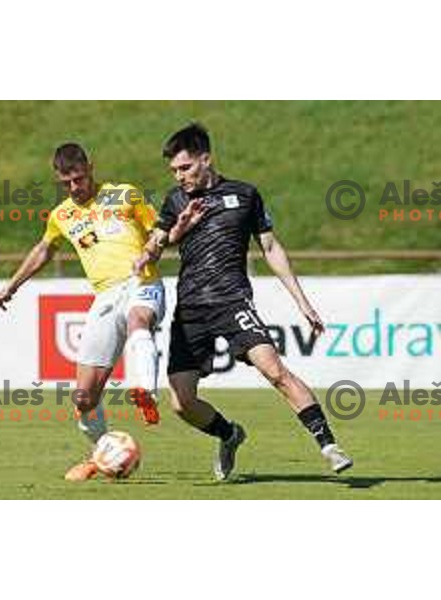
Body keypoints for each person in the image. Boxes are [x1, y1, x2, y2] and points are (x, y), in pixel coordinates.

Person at [135, 123, 353, 480]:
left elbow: (270, 247)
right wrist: (172, 235)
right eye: (174, 170)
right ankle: (229, 434)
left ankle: (329, 446)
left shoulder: (245, 194)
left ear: (206, 158)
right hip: (190, 309)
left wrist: (303, 302)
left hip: (233, 301)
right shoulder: (175, 201)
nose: (180, 176)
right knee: (181, 403)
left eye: (186, 167)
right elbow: (155, 247)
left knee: (274, 370)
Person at [0, 143, 165, 481]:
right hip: (104, 298)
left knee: (138, 320)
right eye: (66, 183)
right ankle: (106, 455)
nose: (74, 187)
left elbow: (160, 230)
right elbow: (44, 249)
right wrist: (11, 286)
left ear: (92, 167)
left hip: (140, 282)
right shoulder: (62, 216)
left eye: (80, 179)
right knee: (84, 397)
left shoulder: (124, 195)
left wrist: (150, 252)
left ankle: (145, 390)